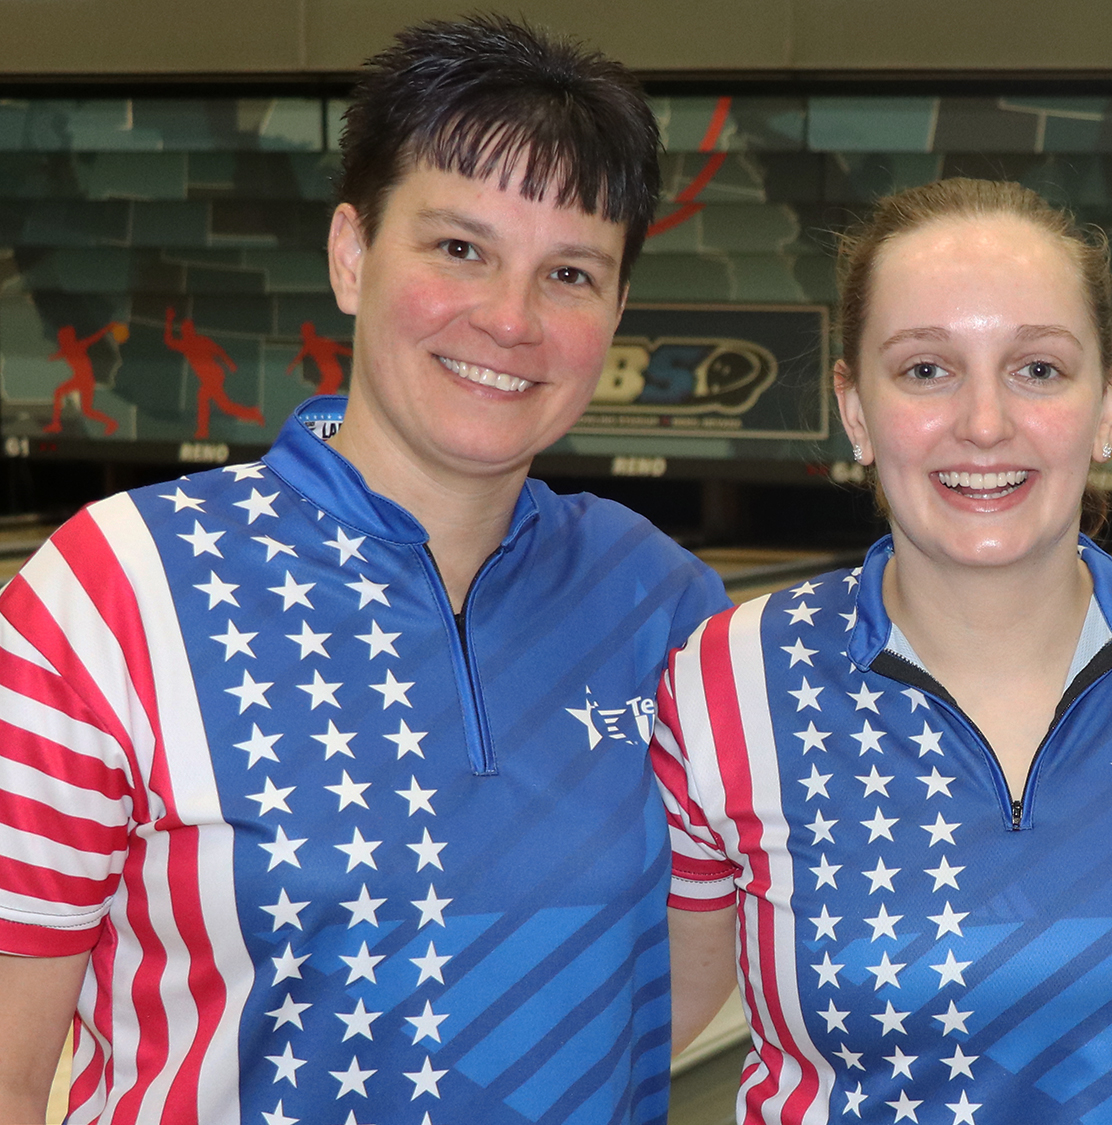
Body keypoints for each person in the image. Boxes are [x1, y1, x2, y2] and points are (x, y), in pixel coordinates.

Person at [0, 16, 727, 1125]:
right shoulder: (110, 590)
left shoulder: (664, 606)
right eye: (459, 248)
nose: (510, 318)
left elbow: (663, 991)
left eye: (570, 272)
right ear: (352, 254)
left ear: (617, 310)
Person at [655, 178, 1112, 1123]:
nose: (985, 422)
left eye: (1037, 368)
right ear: (855, 408)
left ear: (1111, 400)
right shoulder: (731, 678)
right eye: (926, 369)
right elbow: (638, 1015)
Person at [164, 305, 265, 437]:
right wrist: (169, 320)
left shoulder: (202, 341)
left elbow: (219, 351)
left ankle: (203, 430)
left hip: (215, 376)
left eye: (188, 328)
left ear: (192, 330)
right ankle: (253, 413)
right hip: (208, 378)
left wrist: (229, 363)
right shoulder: (185, 344)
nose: (185, 331)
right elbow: (169, 341)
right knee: (224, 406)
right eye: (184, 329)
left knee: (204, 398)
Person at [43, 322, 125, 435]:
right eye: (60, 337)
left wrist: (108, 327)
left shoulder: (78, 346)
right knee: (68, 398)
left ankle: (111, 423)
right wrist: (49, 358)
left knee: (85, 410)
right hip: (80, 379)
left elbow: (95, 337)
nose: (60, 339)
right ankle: (56, 424)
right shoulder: (66, 350)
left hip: (86, 380)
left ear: (67, 338)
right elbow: (56, 355)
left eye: (62, 337)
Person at [287, 320, 354, 396]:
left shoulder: (316, 343)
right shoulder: (320, 342)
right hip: (333, 374)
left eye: (304, 332)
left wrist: (290, 367)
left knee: (320, 398)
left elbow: (344, 351)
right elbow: (345, 351)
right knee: (322, 398)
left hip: (332, 375)